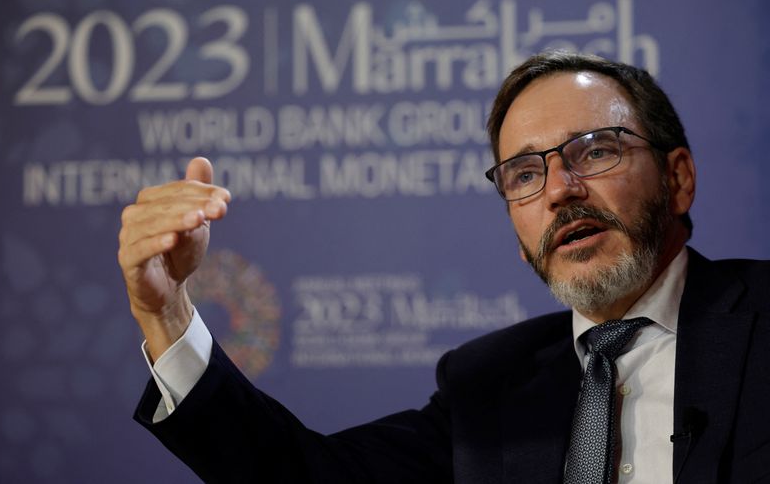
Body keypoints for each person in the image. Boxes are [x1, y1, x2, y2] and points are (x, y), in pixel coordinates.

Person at [118, 52, 770, 483]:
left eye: (595, 150)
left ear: (678, 178)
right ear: (519, 235)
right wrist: (166, 311)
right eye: (524, 173)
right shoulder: (487, 383)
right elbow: (300, 474)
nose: (559, 189)